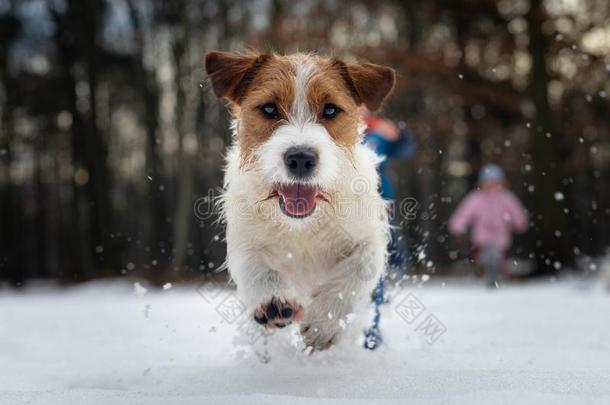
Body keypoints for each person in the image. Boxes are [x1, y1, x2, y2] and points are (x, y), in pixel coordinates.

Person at [449, 164, 528, 287]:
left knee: (498, 254)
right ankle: (484, 269)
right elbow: (464, 212)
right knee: (485, 255)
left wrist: (519, 223)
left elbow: (516, 211)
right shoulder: (476, 198)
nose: (492, 187)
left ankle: (497, 271)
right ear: (482, 184)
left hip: (501, 235)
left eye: (495, 183)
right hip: (482, 235)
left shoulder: (506, 197)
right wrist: (457, 225)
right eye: (488, 183)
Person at [362, 110, 417, 277]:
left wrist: (400, 135)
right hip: (346, 193)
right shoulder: (338, 127)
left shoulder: (380, 131)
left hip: (381, 191)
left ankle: (393, 268)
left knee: (386, 230)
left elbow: (405, 150)